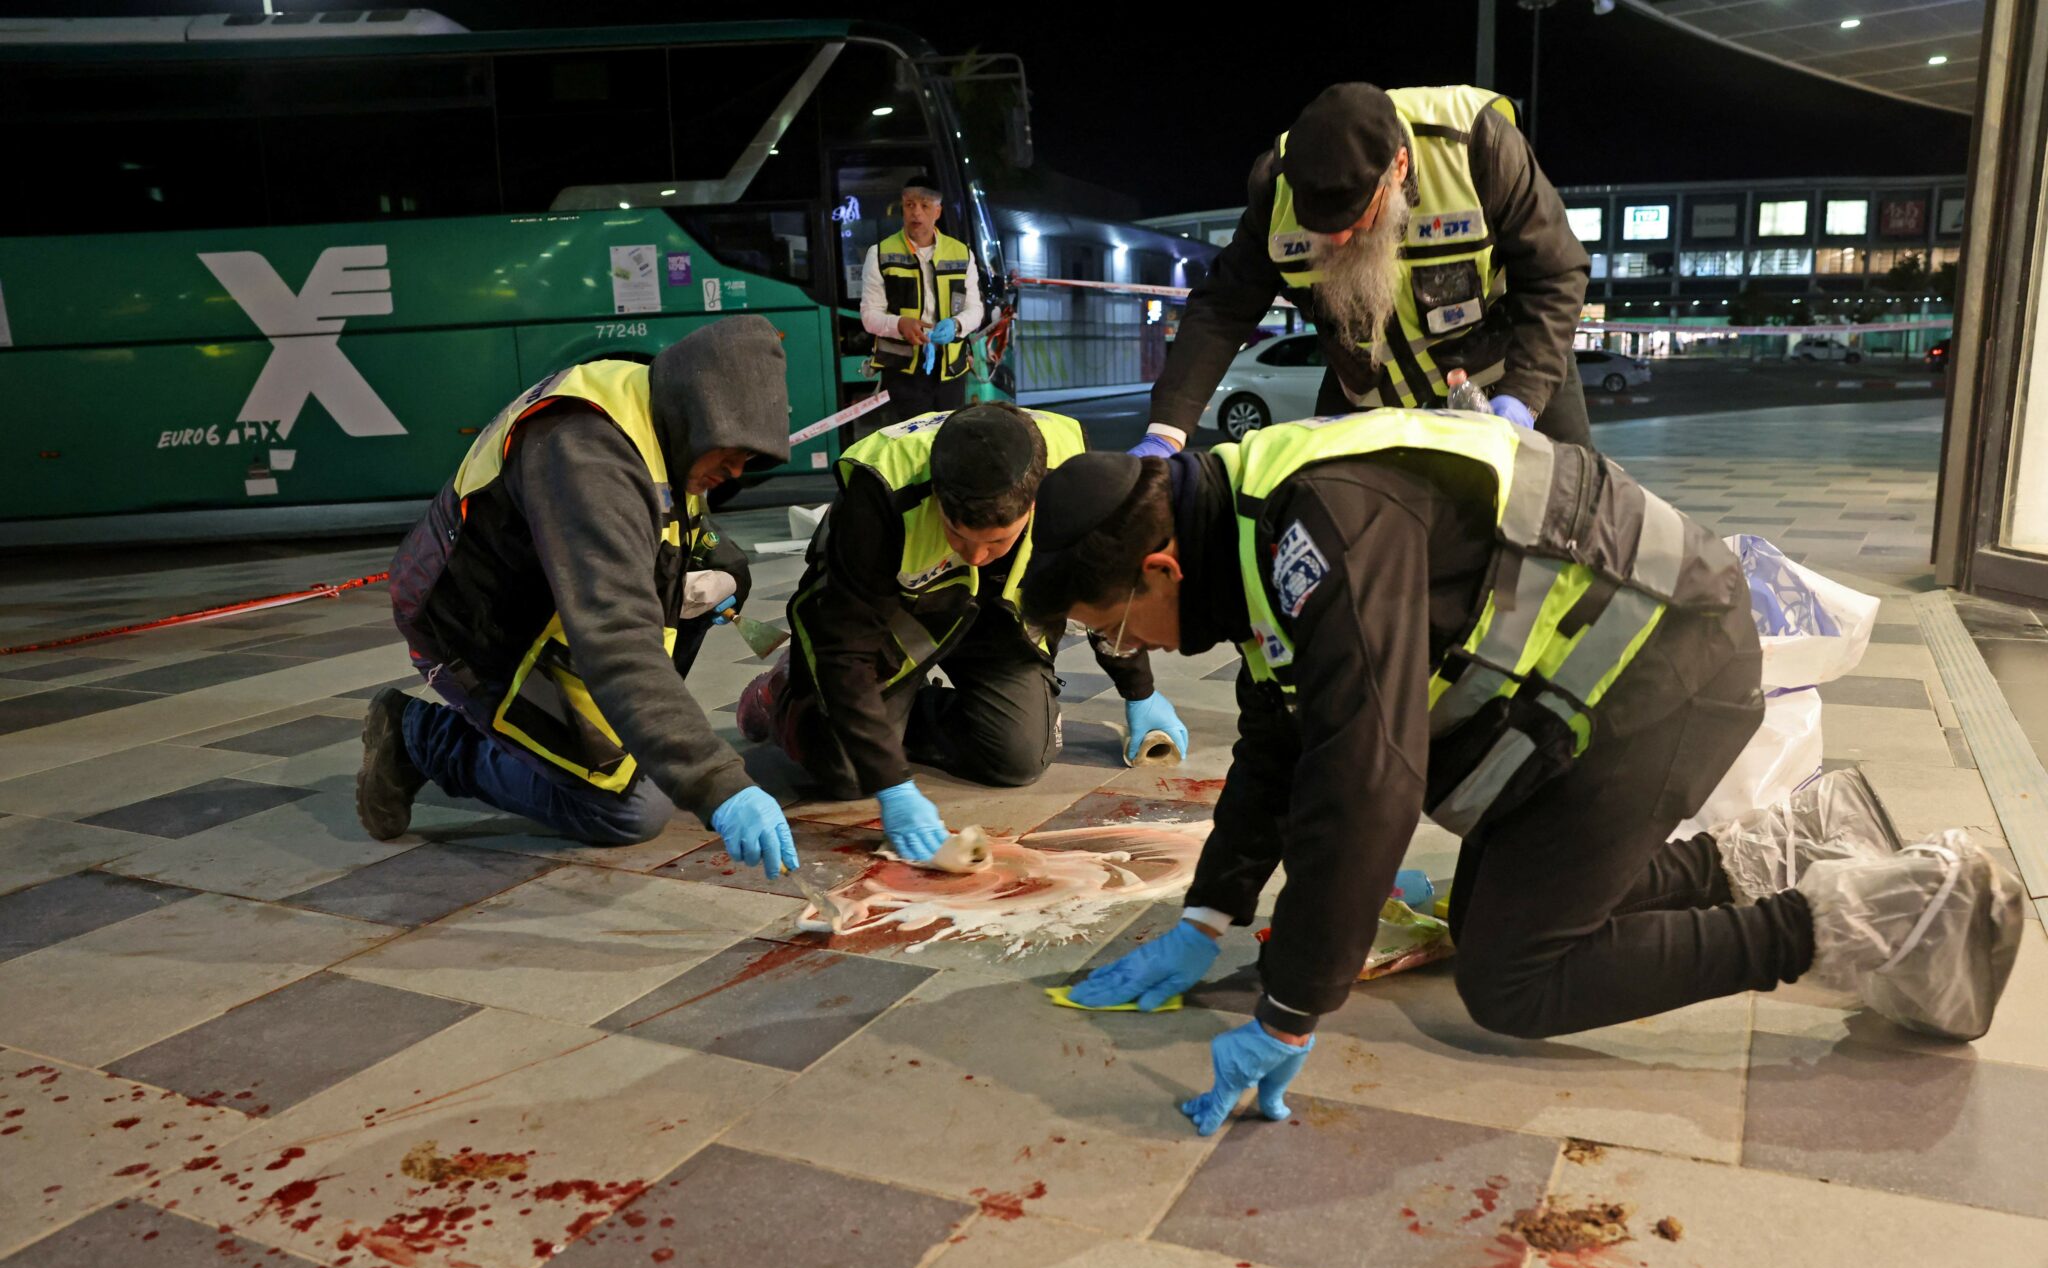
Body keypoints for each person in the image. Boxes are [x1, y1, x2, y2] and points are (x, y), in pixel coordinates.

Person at [1021, 411, 2025, 1133]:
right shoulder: (1248, 517)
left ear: (1160, 569)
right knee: (1497, 909)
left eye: (1111, 628)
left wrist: (1290, 1009)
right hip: (1612, 677)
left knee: (1514, 977)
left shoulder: (1315, 532)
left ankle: (1861, 921)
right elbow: (1278, 734)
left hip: (1663, 674)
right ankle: (1771, 849)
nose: (1128, 647)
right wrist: (1208, 912)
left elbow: (1362, 777)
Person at [360, 320, 800, 877]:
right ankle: (421, 738)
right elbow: (616, 638)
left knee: (648, 742)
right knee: (629, 811)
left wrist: (725, 570)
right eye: (734, 453)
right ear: (703, 413)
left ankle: (607, 737)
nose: (737, 472)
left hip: (548, 616)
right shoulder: (588, 453)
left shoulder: (658, 414)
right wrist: (718, 784)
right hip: (476, 631)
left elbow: (684, 530)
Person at [737, 403, 1188, 861]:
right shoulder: (878, 491)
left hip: (995, 621)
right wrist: (892, 786)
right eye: (957, 534)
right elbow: (843, 648)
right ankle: (786, 694)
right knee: (846, 772)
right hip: (896, 616)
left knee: (1018, 758)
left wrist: (1139, 690)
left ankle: (891, 715)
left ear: (1034, 504)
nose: (976, 556)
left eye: (997, 541)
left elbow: (1097, 582)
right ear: (937, 496)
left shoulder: (1068, 472)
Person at [1133, 82, 1591, 460]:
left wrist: (1522, 396)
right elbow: (1222, 308)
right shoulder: (1276, 191)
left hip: (1507, 377)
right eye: (1319, 225)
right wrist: (1166, 430)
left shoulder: (1477, 149)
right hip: (1370, 395)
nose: (1336, 240)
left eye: (1354, 219)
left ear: (1399, 167)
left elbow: (1556, 273)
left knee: (1571, 514)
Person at [859, 175, 984, 427]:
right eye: (909, 205)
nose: (916, 212)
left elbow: (976, 309)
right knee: (913, 445)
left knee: (949, 440)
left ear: (937, 211)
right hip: (904, 372)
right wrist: (900, 324)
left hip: (950, 370)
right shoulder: (880, 254)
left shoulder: (961, 253)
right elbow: (869, 315)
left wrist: (957, 325)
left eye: (925, 206)